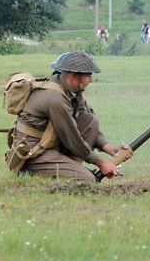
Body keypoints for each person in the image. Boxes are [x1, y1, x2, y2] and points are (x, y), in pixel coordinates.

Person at [10, 52, 130, 182]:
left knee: (91, 120)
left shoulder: (72, 92)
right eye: (88, 75)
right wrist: (101, 163)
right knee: (88, 179)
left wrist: (111, 149)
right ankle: (34, 172)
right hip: (35, 154)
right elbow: (72, 138)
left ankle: (69, 167)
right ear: (74, 76)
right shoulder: (55, 99)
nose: (91, 80)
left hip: (52, 146)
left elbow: (87, 124)